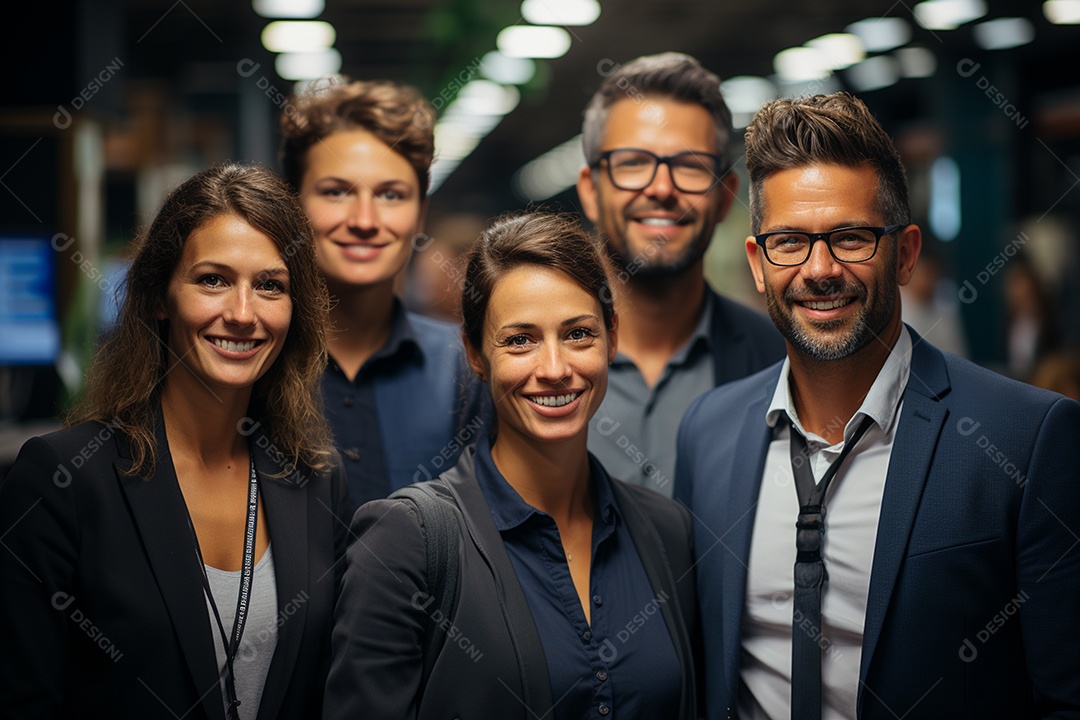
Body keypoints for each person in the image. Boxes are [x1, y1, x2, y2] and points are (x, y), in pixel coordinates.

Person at [674, 92, 1080, 719]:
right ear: (758, 264)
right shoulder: (708, 432)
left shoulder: (1027, 436)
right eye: (788, 241)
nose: (820, 269)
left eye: (851, 237)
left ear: (906, 253)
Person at [0, 163, 350, 719]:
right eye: (212, 279)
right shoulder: (63, 480)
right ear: (160, 296)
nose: (241, 313)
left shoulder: (315, 480)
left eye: (269, 285)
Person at [325, 211, 699, 720]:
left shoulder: (665, 532)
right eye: (519, 339)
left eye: (578, 334)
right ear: (475, 353)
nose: (554, 369)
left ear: (612, 336)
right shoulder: (408, 540)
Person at [576, 52, 784, 496]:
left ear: (726, 196)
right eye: (632, 162)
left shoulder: (783, 363)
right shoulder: (523, 367)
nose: (662, 189)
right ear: (591, 191)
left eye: (691, 166)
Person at [281, 78, 484, 509]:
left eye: (391, 195)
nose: (365, 220)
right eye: (336, 192)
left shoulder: (467, 368)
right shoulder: (253, 361)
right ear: (293, 206)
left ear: (420, 214)